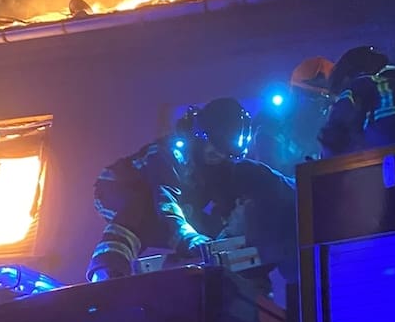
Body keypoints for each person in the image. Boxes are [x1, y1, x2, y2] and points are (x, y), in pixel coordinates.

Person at [86, 97, 298, 287]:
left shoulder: (218, 166)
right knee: (141, 207)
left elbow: (214, 210)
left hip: (174, 203)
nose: (218, 155)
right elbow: (166, 203)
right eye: (214, 147)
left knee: (201, 223)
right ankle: (107, 271)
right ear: (200, 135)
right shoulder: (167, 154)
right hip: (117, 190)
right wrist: (191, 241)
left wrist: (225, 241)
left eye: (226, 153)